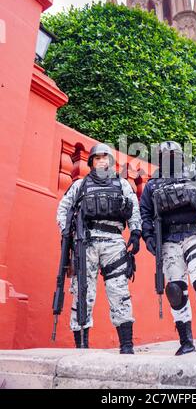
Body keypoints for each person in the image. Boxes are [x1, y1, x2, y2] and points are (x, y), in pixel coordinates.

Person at [140, 141, 196, 355]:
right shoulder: (153, 184)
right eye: (165, 155)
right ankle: (186, 342)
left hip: (195, 235)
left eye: (174, 154)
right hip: (169, 241)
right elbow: (145, 213)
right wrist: (148, 236)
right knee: (175, 291)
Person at [56, 143, 142, 353]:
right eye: (98, 158)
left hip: (114, 243)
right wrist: (68, 233)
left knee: (119, 292)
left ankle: (127, 346)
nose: (102, 161)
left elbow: (134, 209)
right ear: (92, 162)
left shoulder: (122, 184)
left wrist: (136, 232)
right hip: (86, 243)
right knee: (82, 293)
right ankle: (82, 346)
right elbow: (63, 210)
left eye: (106, 157)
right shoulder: (80, 185)